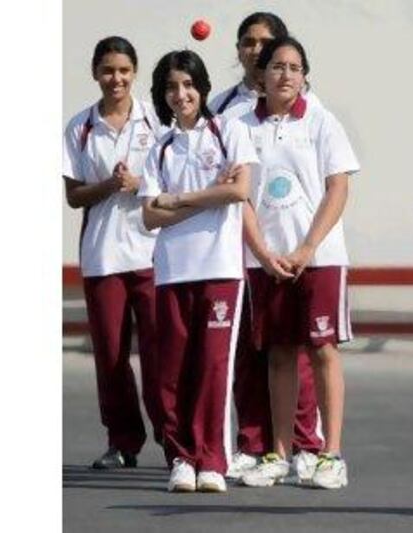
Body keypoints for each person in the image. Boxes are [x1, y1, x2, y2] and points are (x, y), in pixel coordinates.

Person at [235, 36, 359, 490]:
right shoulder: (242, 126)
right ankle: (280, 454)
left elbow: (338, 189)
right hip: (266, 262)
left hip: (319, 260)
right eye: (277, 66)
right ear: (262, 75)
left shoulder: (323, 124)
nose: (285, 74)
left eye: (294, 67)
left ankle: (331, 455)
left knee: (323, 351)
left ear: (305, 75)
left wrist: (307, 248)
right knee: (280, 354)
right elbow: (241, 196)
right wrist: (264, 253)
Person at [210, 11, 324, 482]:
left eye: (265, 43)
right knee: (249, 354)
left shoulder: (309, 107)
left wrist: (304, 246)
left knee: (297, 351)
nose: (256, 51)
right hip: (239, 252)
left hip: (293, 251)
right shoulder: (223, 107)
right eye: (248, 43)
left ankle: (305, 444)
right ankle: (253, 445)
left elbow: (323, 181)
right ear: (238, 50)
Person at [139, 49, 258, 493]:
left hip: (220, 269)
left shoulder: (229, 131)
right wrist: (211, 193)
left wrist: (179, 198)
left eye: (188, 85)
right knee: (173, 370)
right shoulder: (161, 146)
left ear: (202, 87)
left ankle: (211, 459)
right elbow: (149, 218)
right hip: (172, 270)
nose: (181, 94)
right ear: (163, 94)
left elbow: (240, 190)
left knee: (212, 367)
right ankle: (181, 459)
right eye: (172, 87)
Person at [62, 36, 162, 470]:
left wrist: (138, 184)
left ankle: (176, 441)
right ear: (95, 73)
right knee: (111, 356)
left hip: (155, 255)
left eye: (123, 70)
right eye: (108, 70)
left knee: (164, 354)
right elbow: (74, 195)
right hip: (103, 257)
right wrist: (109, 185)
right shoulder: (80, 127)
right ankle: (123, 441)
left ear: (134, 72)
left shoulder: (156, 120)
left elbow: (174, 181)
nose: (115, 78)